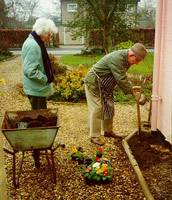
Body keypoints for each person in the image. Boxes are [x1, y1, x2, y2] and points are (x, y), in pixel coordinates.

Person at [84, 43, 147, 146]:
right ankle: (94, 136)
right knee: (97, 108)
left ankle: (108, 131)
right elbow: (121, 79)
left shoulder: (126, 60)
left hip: (105, 84)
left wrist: (131, 88)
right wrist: (133, 93)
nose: (137, 63)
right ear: (132, 55)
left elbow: (122, 77)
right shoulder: (117, 59)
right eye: (137, 60)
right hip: (94, 82)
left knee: (109, 105)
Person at [22, 18, 58, 167]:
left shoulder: (36, 42)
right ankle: (36, 149)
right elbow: (29, 70)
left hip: (38, 89)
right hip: (36, 90)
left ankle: (38, 147)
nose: (50, 37)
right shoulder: (33, 45)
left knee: (39, 118)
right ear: (43, 32)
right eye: (49, 34)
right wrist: (45, 79)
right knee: (37, 120)